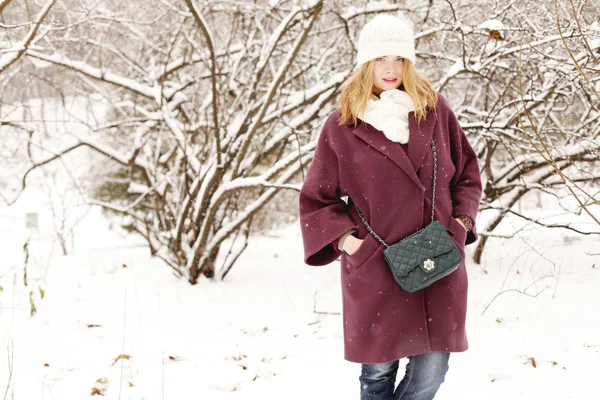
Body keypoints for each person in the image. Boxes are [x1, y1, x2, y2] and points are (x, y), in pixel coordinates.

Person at [298, 13, 483, 400]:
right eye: (381, 58)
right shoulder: (342, 126)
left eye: (398, 59)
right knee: (377, 374)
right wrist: (351, 244)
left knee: (432, 371)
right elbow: (318, 199)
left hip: (438, 259)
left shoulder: (434, 111)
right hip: (378, 266)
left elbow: (466, 171)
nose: (390, 68)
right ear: (366, 63)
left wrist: (461, 223)